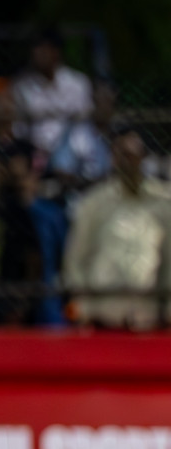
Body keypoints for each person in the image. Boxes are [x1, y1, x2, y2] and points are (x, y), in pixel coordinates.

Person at [62, 128, 171, 329]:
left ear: (144, 157)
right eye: (123, 155)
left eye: (134, 155)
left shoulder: (163, 203)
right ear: (113, 157)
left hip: (147, 315)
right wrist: (82, 309)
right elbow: (75, 260)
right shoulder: (93, 203)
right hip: (103, 314)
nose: (129, 161)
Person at [12, 30, 93, 157]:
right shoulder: (23, 86)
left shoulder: (78, 82)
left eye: (43, 49)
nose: (37, 54)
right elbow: (19, 126)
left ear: (56, 52)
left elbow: (83, 116)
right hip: (36, 151)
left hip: (74, 150)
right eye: (35, 49)